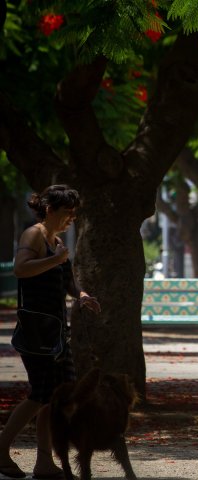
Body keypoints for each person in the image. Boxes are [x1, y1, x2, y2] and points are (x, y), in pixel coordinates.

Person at [0, 185, 100, 479]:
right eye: (68, 212)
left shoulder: (56, 241)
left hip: (56, 334)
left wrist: (82, 295)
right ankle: (1, 447)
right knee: (40, 394)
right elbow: (21, 269)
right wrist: (55, 259)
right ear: (50, 209)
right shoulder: (34, 235)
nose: (71, 218)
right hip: (37, 333)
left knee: (56, 396)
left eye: (74, 214)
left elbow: (69, 282)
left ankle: (44, 462)